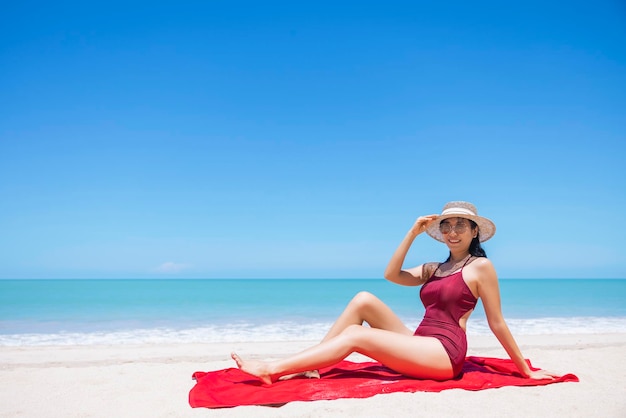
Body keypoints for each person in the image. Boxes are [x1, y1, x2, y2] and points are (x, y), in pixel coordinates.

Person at [231, 201, 559, 384]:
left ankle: (271, 368)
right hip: (420, 342)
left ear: (475, 231)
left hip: (445, 354)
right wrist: (412, 233)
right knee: (363, 299)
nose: (452, 231)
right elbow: (391, 275)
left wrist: (524, 369)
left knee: (357, 337)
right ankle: (311, 364)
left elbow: (497, 322)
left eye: (461, 225)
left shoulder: (480, 268)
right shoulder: (434, 268)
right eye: (447, 225)